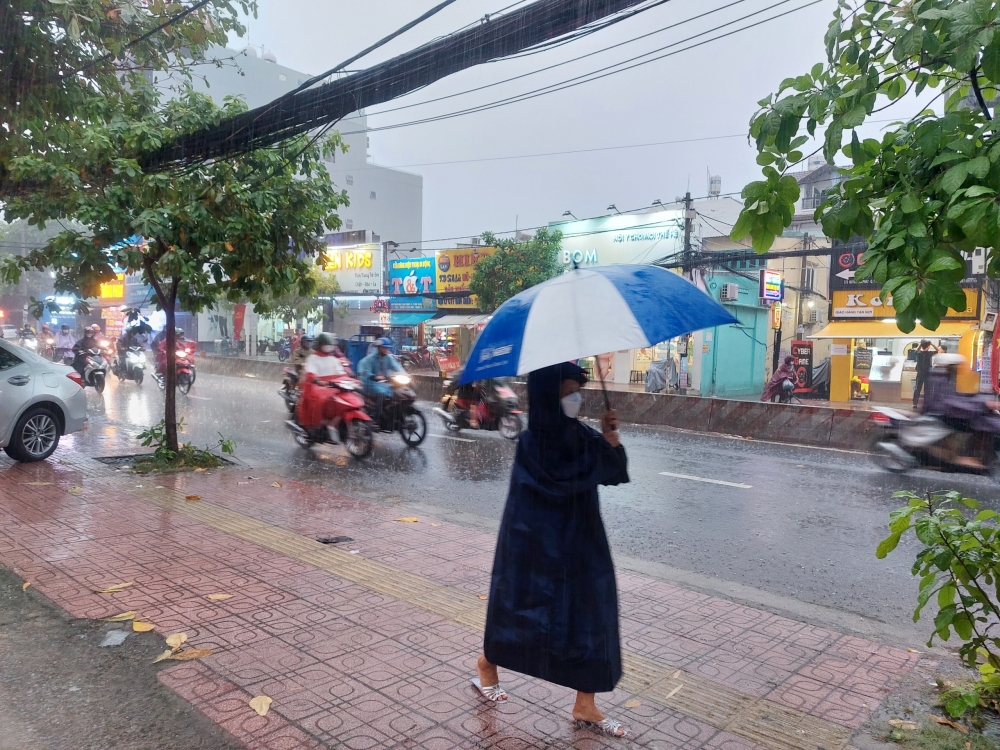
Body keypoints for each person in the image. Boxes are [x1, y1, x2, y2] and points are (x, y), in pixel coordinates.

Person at [474, 363, 631, 739]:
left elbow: (614, 473)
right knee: (520, 612)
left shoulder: (581, 436)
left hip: (580, 547)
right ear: (548, 396)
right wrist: (599, 452)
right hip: (533, 546)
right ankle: (487, 665)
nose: (574, 398)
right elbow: (560, 483)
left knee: (591, 618)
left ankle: (585, 703)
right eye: (566, 392)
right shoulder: (533, 441)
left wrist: (611, 438)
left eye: (577, 390)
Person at [295, 332, 349, 434]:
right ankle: (318, 424)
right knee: (321, 400)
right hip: (317, 386)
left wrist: (347, 377)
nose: (328, 347)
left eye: (329, 344)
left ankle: (334, 423)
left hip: (331, 385)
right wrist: (318, 380)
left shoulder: (333, 359)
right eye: (326, 344)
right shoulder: (312, 358)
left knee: (343, 399)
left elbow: (340, 371)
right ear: (320, 345)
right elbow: (311, 372)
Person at [358, 337, 404, 406]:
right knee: (382, 393)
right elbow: (366, 372)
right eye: (384, 348)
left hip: (384, 383)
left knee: (397, 392)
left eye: (387, 348)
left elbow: (397, 367)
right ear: (379, 348)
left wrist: (405, 374)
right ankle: (377, 414)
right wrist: (373, 377)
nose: (386, 350)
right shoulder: (369, 359)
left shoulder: (388, 358)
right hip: (370, 384)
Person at [913, 339, 940, 408]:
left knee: (917, 389)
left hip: (919, 374)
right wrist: (932, 344)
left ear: (921, 346)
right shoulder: (930, 353)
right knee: (927, 390)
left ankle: (915, 403)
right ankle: (926, 404)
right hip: (927, 374)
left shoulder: (918, 354)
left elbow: (916, 350)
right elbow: (938, 350)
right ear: (928, 346)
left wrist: (920, 344)